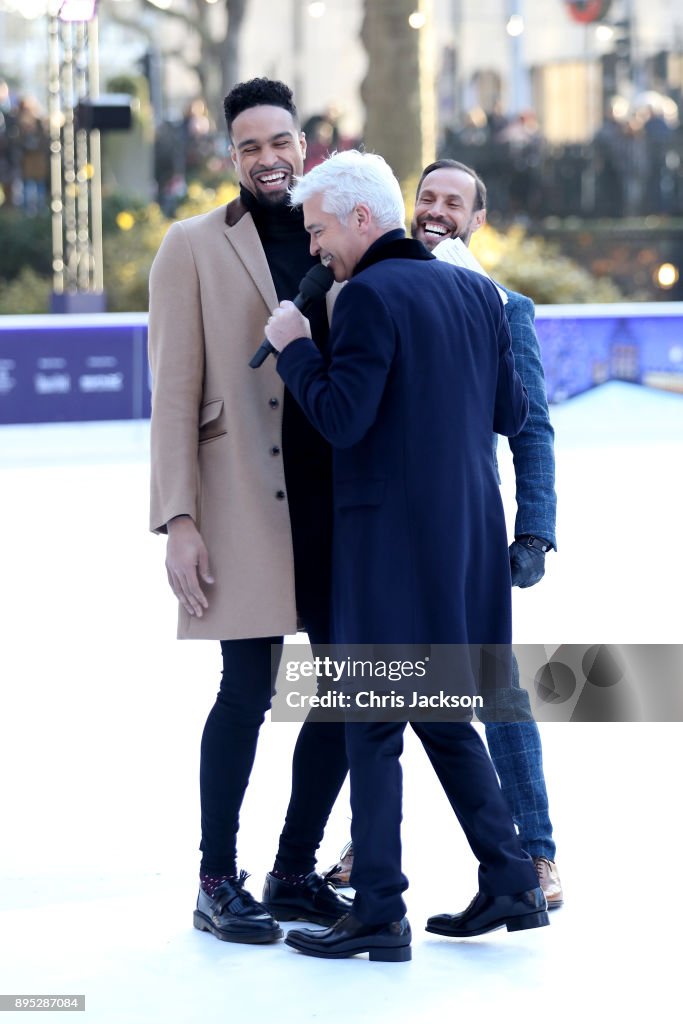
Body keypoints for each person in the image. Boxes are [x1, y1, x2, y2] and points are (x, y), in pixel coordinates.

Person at [264, 150, 547, 961]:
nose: (315, 248)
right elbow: (508, 408)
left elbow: (342, 417)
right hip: (464, 542)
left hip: (389, 543)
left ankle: (378, 910)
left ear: (359, 218)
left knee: (370, 720)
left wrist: (294, 347)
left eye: (318, 230)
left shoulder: (367, 296)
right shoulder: (471, 290)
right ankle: (511, 876)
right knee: (441, 714)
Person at [328, 158, 563, 910]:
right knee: (385, 685)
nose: (434, 210)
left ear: (476, 220)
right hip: (396, 531)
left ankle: (533, 856)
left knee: (491, 690)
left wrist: (534, 532)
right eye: (425, 197)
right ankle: (369, 848)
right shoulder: (368, 288)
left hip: (464, 537)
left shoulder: (500, 302)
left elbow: (529, 430)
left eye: (451, 202)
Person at [148, 78, 351, 946]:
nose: (268, 159)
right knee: (246, 690)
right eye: (249, 147)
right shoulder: (190, 245)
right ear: (230, 157)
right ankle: (214, 879)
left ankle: (294, 870)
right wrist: (178, 522)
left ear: (302, 144)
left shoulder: (344, 232)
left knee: (348, 692)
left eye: (280, 142)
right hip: (241, 503)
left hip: (342, 503)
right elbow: (172, 395)